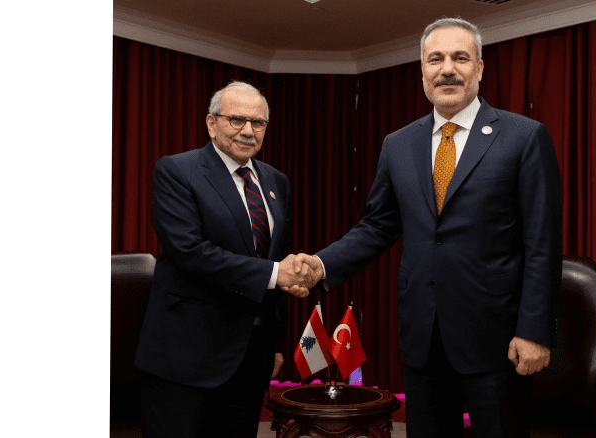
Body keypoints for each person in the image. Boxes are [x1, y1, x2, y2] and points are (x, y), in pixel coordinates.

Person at [291, 18, 563, 438]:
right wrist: (322, 264)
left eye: (460, 58)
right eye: (435, 59)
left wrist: (534, 331)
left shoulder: (523, 137)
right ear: (422, 70)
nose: (447, 69)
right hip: (423, 336)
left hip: (498, 340)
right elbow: (377, 227)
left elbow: (542, 243)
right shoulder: (398, 144)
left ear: (479, 68)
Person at [134, 81, 315, 438]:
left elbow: (276, 260)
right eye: (236, 120)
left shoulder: (276, 181)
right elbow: (191, 253)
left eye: (258, 122)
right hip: (186, 359)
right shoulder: (177, 171)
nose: (248, 130)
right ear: (211, 123)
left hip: (251, 358)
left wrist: (277, 344)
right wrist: (276, 273)